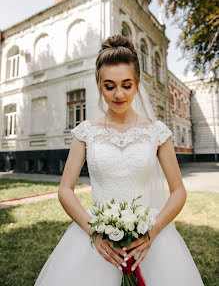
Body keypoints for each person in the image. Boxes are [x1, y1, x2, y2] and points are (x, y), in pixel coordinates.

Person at [34, 35, 204, 285]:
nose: (118, 94)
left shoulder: (157, 132)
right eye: (109, 86)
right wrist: (95, 232)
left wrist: (152, 232)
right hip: (97, 235)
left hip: (148, 236)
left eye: (126, 85)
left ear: (137, 84)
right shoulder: (85, 132)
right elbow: (65, 190)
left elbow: (178, 191)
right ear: (99, 86)